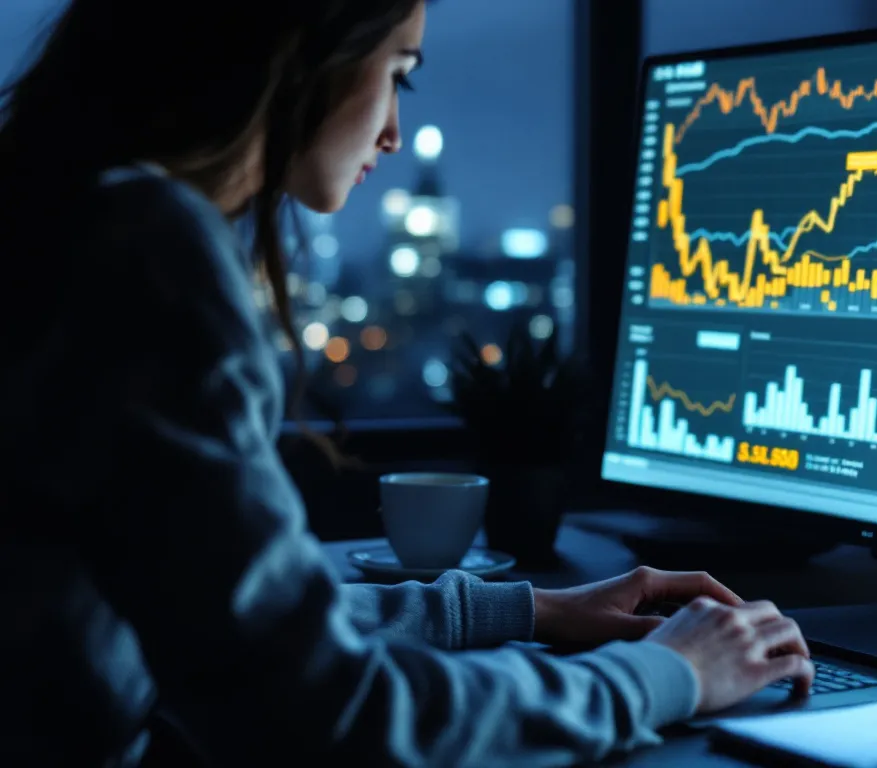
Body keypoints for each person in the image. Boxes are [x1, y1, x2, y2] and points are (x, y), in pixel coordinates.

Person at [0, 0, 816, 765]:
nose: (392, 132)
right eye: (398, 72)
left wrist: (534, 609)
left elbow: (219, 626)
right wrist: (669, 676)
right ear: (308, 49)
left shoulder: (65, 219)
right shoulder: (145, 253)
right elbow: (329, 712)